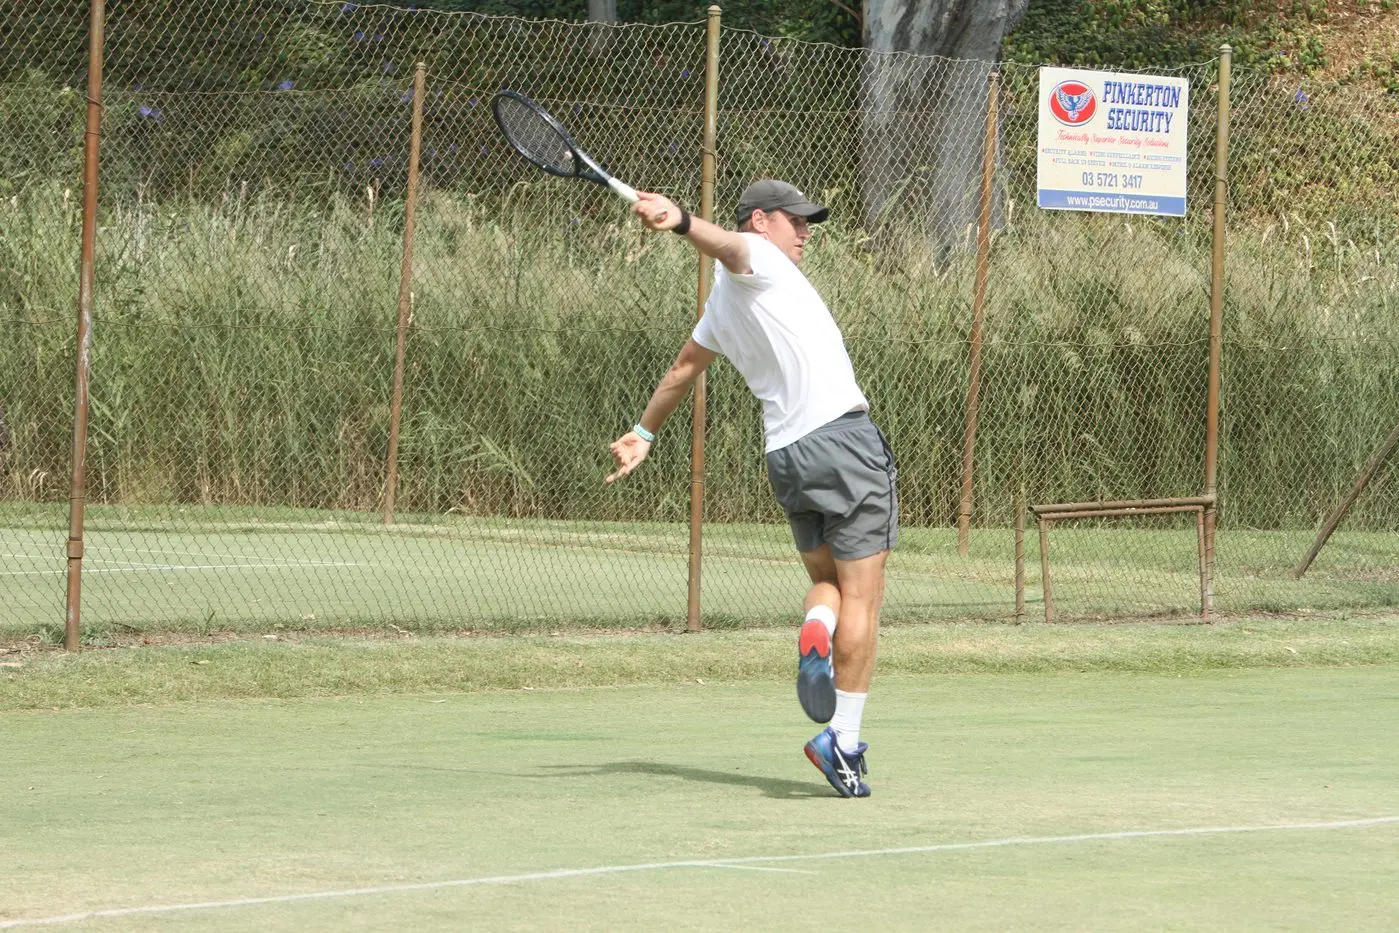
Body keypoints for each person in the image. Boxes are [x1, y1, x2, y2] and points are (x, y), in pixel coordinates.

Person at [605, 180, 899, 798]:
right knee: (865, 601)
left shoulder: (720, 309)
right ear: (762, 222)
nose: (806, 232)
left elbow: (684, 370)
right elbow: (729, 247)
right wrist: (681, 219)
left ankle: (816, 631)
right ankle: (841, 741)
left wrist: (642, 433)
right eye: (797, 221)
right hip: (844, 445)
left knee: (830, 586)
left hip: (788, 457)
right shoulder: (756, 256)